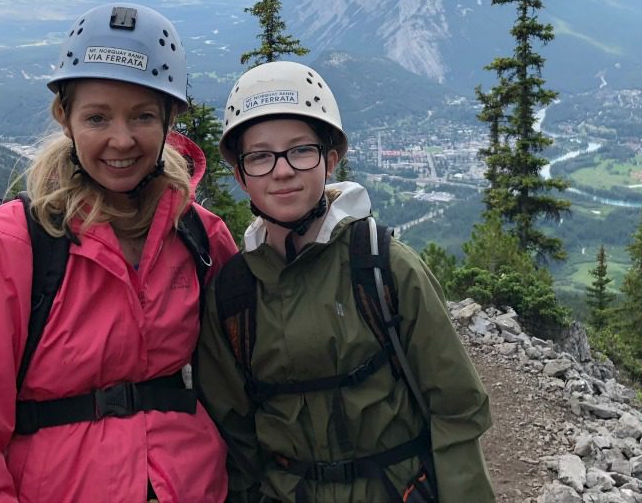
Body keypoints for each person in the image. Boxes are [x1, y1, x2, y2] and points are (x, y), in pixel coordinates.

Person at [0, 3, 238, 503]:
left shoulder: (200, 237)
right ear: (65, 118)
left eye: (143, 116)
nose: (122, 139)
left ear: (169, 119)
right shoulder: (9, 246)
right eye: (97, 117)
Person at [198, 60, 495, 503]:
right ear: (241, 175)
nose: (282, 170)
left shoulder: (382, 267)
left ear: (330, 160)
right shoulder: (233, 294)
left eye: (301, 150)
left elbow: (456, 407)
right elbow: (233, 435)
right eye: (260, 156)